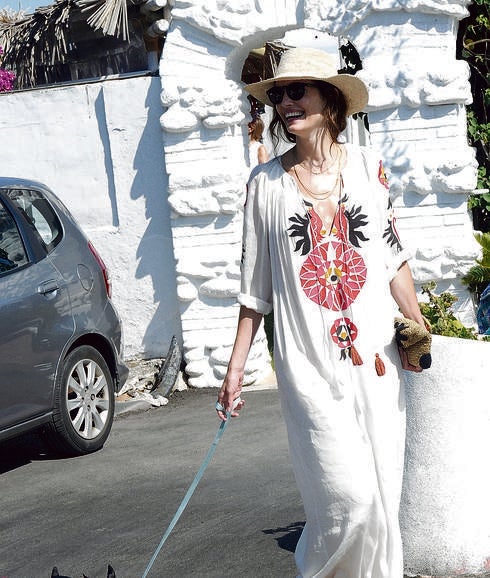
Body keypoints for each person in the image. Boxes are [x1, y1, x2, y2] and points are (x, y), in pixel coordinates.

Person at [216, 47, 427, 578]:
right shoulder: (264, 186)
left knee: (381, 493)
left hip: (376, 355)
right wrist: (236, 368)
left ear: (329, 100)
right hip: (307, 361)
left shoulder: (365, 166)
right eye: (278, 95)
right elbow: (254, 288)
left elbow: (390, 252)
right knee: (347, 499)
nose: (285, 102)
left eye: (297, 90)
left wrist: (419, 322)